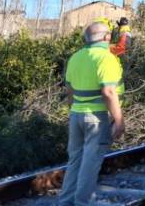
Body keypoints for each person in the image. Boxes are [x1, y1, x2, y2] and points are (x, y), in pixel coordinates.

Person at [58, 21, 125, 206]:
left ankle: (66, 201)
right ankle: (83, 202)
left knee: (75, 161)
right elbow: (108, 92)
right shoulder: (106, 58)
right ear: (106, 37)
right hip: (96, 118)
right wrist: (118, 120)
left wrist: (73, 112)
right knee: (90, 163)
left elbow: (70, 90)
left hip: (76, 116)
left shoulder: (76, 57)